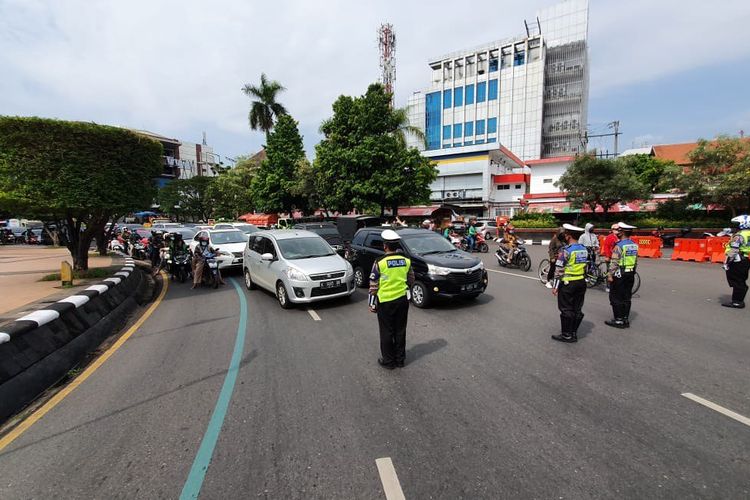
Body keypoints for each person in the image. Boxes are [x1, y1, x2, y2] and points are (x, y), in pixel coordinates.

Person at [368, 229, 415, 369]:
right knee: (400, 330)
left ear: (385, 246)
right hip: (402, 300)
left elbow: (373, 285)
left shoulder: (379, 262)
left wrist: (372, 303)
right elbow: (411, 278)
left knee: (386, 331)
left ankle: (389, 361)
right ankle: (400, 360)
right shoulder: (406, 260)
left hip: (385, 301)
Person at [551, 224, 588, 343]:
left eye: (566, 233)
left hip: (568, 284)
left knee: (566, 309)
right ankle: (573, 332)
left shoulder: (565, 251)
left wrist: (555, 287)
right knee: (577, 308)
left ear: (568, 236)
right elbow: (586, 266)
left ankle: (566, 335)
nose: (565, 235)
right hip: (581, 282)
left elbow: (559, 270)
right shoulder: (584, 249)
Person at [605, 222, 639, 328]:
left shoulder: (619, 246)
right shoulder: (634, 244)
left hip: (620, 274)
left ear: (623, 232)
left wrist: (610, 274)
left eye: (619, 231)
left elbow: (614, 262)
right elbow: (635, 260)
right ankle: (625, 319)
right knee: (626, 297)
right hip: (630, 273)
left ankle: (618, 320)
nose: (617, 232)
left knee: (615, 297)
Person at [722, 215, 750, 309]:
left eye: (737, 224)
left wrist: (727, 262)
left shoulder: (739, 235)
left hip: (738, 260)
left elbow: (734, 250)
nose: (736, 226)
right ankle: (738, 300)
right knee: (741, 280)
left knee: (737, 280)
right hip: (746, 259)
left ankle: (737, 302)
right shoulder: (748, 234)